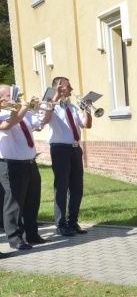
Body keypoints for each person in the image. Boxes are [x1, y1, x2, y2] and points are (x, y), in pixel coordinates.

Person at [0, 86, 53, 251]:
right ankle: (15, 239)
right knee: (14, 202)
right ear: (1, 98)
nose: (15, 97)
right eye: (11, 94)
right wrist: (22, 106)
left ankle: (31, 234)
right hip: (10, 164)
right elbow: (8, 124)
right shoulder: (3, 114)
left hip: (29, 163)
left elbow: (42, 122)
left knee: (32, 201)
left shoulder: (23, 113)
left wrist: (48, 107)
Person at [48, 77, 92, 236]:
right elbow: (45, 114)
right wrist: (55, 97)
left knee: (76, 188)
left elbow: (86, 125)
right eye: (68, 87)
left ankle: (72, 221)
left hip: (75, 149)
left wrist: (88, 109)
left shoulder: (72, 107)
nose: (71, 89)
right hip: (60, 149)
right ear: (59, 88)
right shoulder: (50, 105)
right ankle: (60, 224)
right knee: (61, 187)